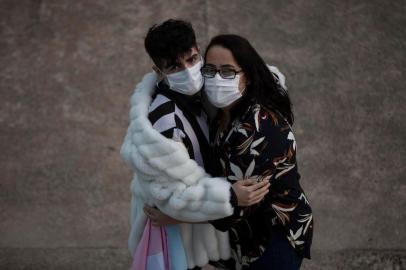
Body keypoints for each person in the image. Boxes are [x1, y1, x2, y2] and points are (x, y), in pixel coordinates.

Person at [147, 34, 314, 270]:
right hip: (245, 240)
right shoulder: (223, 112)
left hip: (274, 237)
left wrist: (176, 216)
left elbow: (239, 206)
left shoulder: (259, 127)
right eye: (210, 70)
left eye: (227, 71)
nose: (216, 79)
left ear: (247, 74)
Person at [120, 20, 269, 270]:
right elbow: (171, 196)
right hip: (179, 232)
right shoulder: (166, 122)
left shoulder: (205, 88)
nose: (188, 71)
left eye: (191, 59)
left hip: (204, 225)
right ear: (158, 71)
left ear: (198, 51)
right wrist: (230, 196)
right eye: (174, 66)